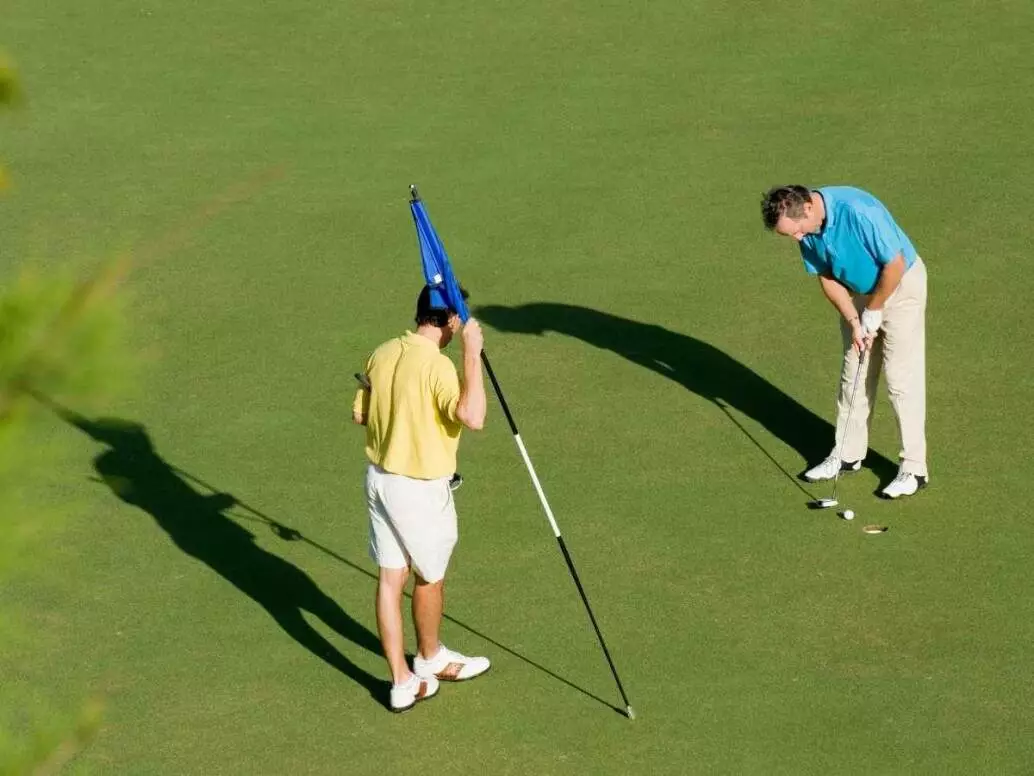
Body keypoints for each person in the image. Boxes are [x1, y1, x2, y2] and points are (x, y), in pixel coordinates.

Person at [352, 286, 490, 712]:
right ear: (450, 321)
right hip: (419, 489)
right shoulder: (439, 366)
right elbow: (473, 416)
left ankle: (401, 682)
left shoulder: (382, 351)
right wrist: (471, 353)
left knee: (391, 580)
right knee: (430, 577)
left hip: (379, 480)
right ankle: (429, 659)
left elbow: (360, 413)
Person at [760, 185, 928, 499]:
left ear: (807, 208)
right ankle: (847, 454)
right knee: (854, 373)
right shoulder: (804, 228)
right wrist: (854, 319)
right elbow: (826, 275)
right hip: (861, 295)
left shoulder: (860, 211)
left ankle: (914, 470)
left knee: (900, 380)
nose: (798, 239)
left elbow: (896, 264)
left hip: (901, 286)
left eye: (796, 231)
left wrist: (874, 310)